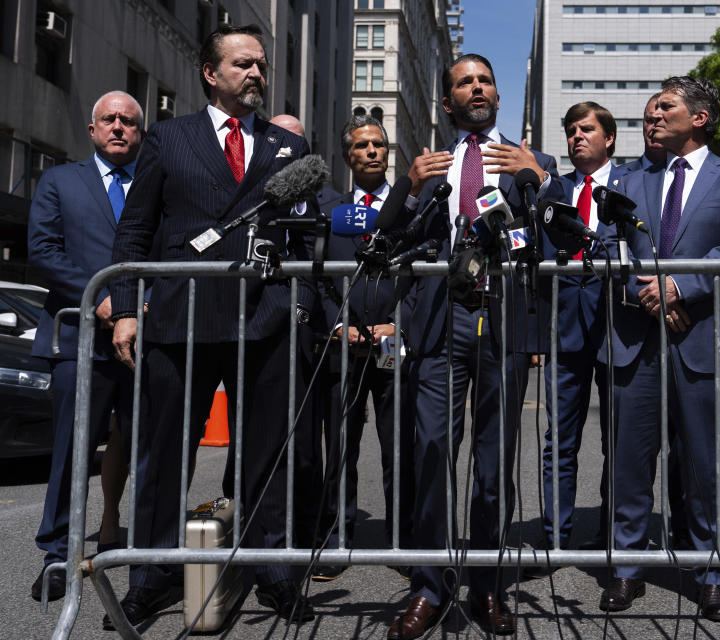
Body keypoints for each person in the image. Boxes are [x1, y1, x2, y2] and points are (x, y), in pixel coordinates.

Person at [108, 24, 314, 629]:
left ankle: (272, 568)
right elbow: (135, 230)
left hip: (265, 322)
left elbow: (305, 232)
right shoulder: (169, 139)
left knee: (266, 454)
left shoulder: (288, 147)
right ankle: (150, 574)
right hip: (181, 323)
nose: (256, 73)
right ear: (211, 72)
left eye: (260, 64)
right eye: (243, 64)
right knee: (164, 454)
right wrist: (124, 306)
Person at [387, 53, 561, 640]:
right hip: (440, 321)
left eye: (486, 79)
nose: (478, 87)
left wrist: (538, 176)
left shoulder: (529, 161)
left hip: (503, 321)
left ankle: (487, 585)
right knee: (432, 450)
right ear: (447, 101)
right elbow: (395, 242)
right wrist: (410, 192)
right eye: (465, 82)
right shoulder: (429, 165)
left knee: (493, 463)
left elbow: (556, 240)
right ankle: (429, 587)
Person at [603, 76, 720, 620]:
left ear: (699, 118)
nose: (652, 117)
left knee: (705, 463)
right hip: (635, 341)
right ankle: (626, 568)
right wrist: (645, 293)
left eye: (664, 108)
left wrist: (679, 286)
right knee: (630, 460)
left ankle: (711, 572)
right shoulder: (626, 179)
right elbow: (607, 246)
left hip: (705, 337)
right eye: (650, 110)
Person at [27, 90, 143, 602]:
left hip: (146, 339)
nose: (118, 127)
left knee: (148, 449)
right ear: (93, 130)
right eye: (109, 120)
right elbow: (43, 251)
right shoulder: (59, 181)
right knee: (73, 453)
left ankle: (147, 555)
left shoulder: (154, 186)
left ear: (140, 133)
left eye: (128, 122)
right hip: (80, 341)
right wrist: (97, 297)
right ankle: (57, 554)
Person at [309, 115, 415, 580]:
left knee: (398, 447)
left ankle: (404, 540)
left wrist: (400, 324)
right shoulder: (328, 209)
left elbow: (419, 273)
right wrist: (338, 325)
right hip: (343, 346)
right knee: (342, 445)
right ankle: (337, 536)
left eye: (379, 145)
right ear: (347, 156)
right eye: (362, 146)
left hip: (394, 345)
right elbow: (317, 276)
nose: (372, 151)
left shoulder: (407, 207)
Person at [528, 101, 632, 568]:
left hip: (620, 327)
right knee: (560, 439)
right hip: (564, 330)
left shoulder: (634, 186)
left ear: (609, 138)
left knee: (620, 438)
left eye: (586, 129)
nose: (576, 137)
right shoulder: (554, 192)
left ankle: (616, 536)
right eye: (571, 130)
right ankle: (555, 537)